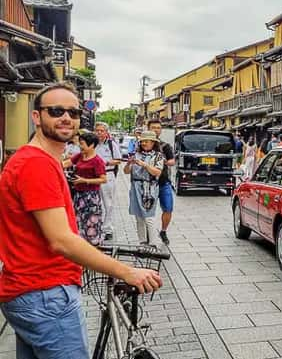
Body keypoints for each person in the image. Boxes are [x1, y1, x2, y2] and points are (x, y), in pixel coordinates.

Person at [0, 84, 162, 359]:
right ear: (37, 117)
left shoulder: (38, 159)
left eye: (73, 112)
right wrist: (126, 272)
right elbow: (61, 240)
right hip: (46, 293)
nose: (66, 117)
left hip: (28, 290)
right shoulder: (35, 164)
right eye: (56, 111)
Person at [65, 133, 107, 246]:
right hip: (79, 195)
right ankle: (80, 245)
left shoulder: (97, 161)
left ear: (92, 145)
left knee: (91, 221)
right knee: (78, 220)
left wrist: (84, 180)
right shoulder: (79, 156)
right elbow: (66, 164)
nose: (80, 145)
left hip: (91, 197)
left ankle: (92, 246)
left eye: (82, 143)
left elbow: (103, 179)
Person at [124, 131, 165, 245]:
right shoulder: (135, 155)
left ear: (153, 143)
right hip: (135, 187)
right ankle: (142, 242)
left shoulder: (158, 156)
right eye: (142, 141)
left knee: (149, 217)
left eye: (146, 141)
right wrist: (129, 164)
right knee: (138, 217)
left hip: (149, 189)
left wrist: (145, 165)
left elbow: (157, 173)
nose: (143, 143)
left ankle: (153, 243)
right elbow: (126, 171)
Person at [147, 119, 175, 245]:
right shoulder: (143, 145)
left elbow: (172, 161)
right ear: (148, 128)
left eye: (158, 128)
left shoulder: (165, 146)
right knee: (147, 210)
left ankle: (163, 231)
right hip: (147, 183)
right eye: (153, 127)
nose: (156, 130)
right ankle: (148, 233)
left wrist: (163, 161)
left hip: (164, 182)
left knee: (168, 208)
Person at [95, 121, 122, 241]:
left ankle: (108, 228)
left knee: (108, 203)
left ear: (106, 132)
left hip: (108, 174)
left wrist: (104, 162)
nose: (99, 133)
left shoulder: (111, 144)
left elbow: (118, 160)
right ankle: (96, 226)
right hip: (94, 177)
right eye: (97, 130)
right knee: (96, 203)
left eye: (102, 131)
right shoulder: (92, 143)